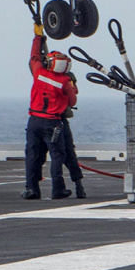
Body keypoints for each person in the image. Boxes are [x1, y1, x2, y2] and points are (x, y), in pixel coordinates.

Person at [23, 23, 77, 200]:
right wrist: (73, 86)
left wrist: (37, 36)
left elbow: (34, 55)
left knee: (33, 154)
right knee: (57, 155)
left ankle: (31, 189)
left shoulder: (38, 73)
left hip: (34, 121)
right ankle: (58, 190)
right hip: (53, 123)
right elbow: (72, 101)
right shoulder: (64, 82)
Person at [58, 71, 87, 200]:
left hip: (54, 118)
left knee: (66, 153)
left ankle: (33, 187)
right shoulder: (67, 76)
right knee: (68, 153)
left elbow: (74, 92)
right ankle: (78, 186)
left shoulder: (66, 77)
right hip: (56, 118)